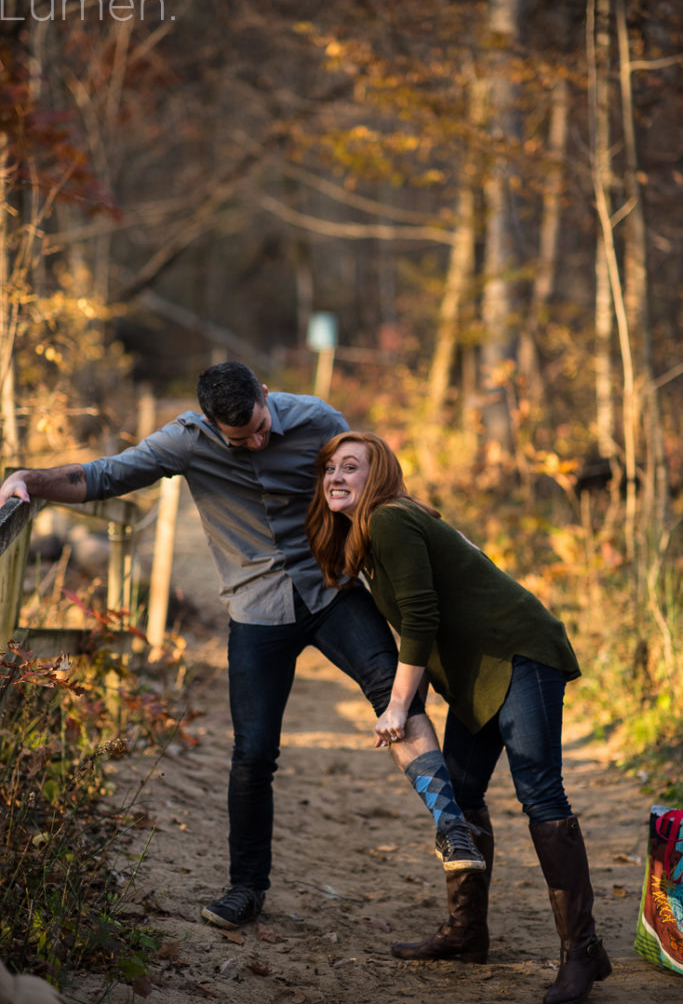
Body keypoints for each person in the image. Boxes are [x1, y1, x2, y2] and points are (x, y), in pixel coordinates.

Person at [0, 362, 485, 932]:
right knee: (253, 755)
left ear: (264, 392)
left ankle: (451, 826)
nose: (255, 441)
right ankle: (246, 887)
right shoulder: (184, 441)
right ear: (209, 423)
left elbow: (372, 489)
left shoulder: (317, 419)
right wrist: (28, 480)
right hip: (257, 610)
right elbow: (102, 476)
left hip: (331, 590)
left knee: (395, 694)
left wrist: (442, 540)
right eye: (240, 439)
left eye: (259, 426)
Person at [306, 431, 612, 1004]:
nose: (336, 478)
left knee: (541, 795)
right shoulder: (374, 532)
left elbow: (420, 620)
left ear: (378, 476)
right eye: (329, 469)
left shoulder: (391, 520)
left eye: (351, 467)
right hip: (478, 673)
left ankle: (583, 953)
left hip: (518, 653)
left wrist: (397, 705)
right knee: (462, 792)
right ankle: (467, 933)